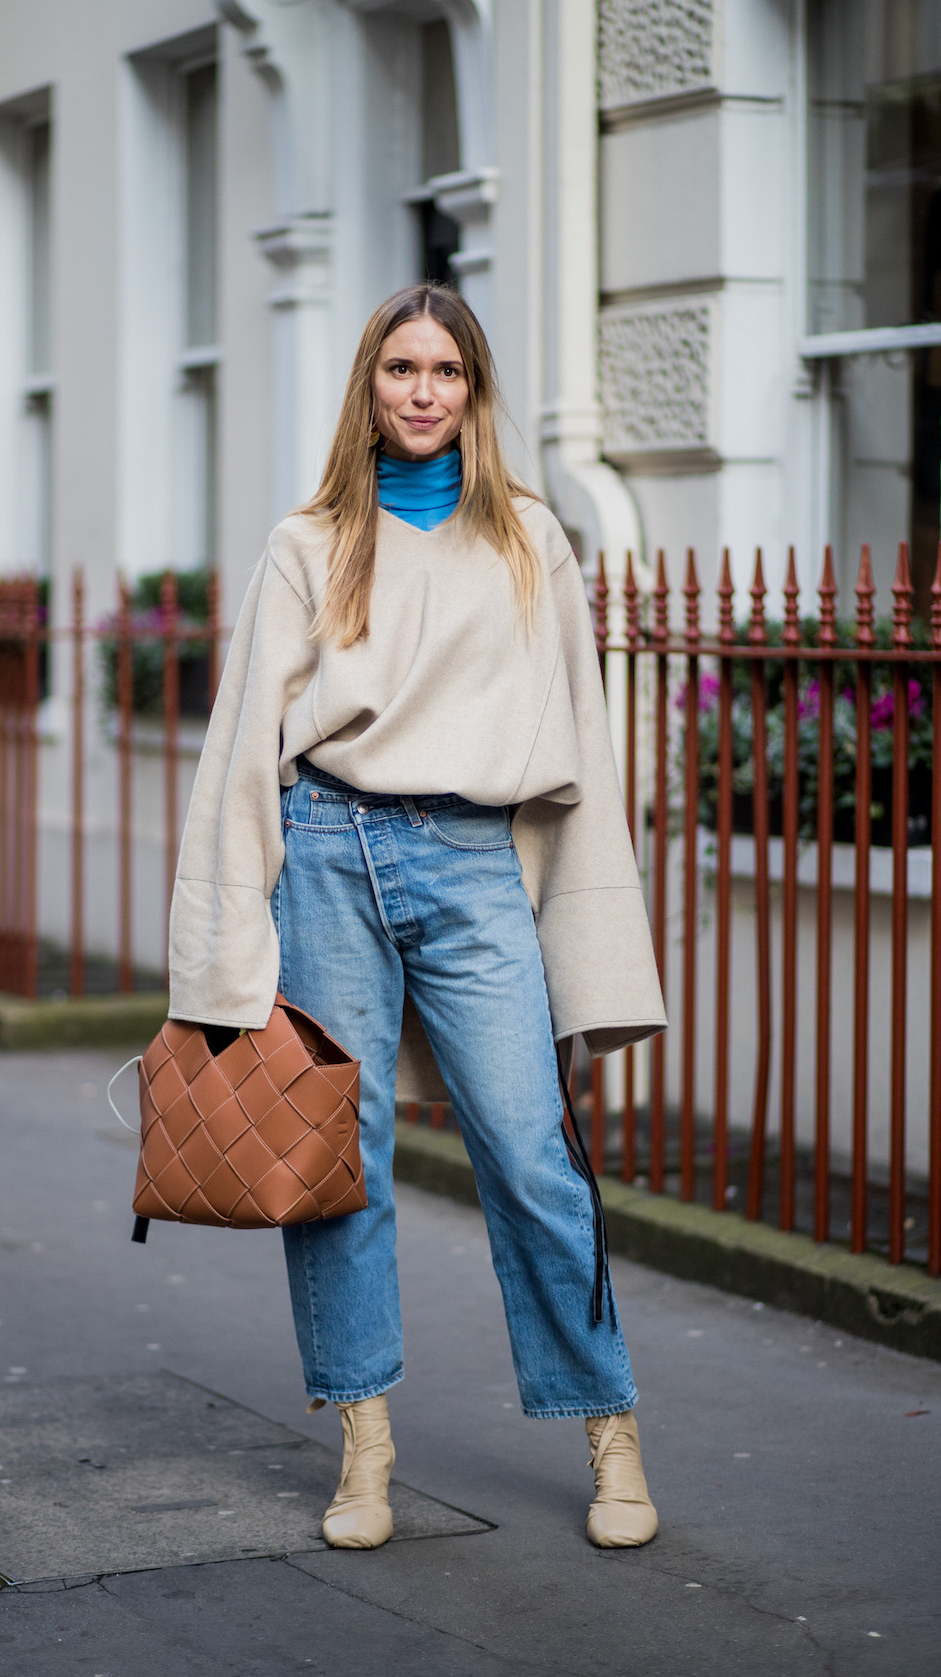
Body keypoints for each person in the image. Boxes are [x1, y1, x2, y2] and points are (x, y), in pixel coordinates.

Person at [169, 283, 667, 1551]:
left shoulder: (530, 542)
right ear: (370, 387)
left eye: (447, 369)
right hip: (328, 851)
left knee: (531, 1151)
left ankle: (609, 1428)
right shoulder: (307, 543)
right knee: (343, 1162)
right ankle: (364, 1443)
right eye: (402, 368)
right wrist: (220, 958)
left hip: (471, 856)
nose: (425, 390)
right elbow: (241, 752)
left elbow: (583, 748)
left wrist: (596, 944)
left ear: (476, 390)